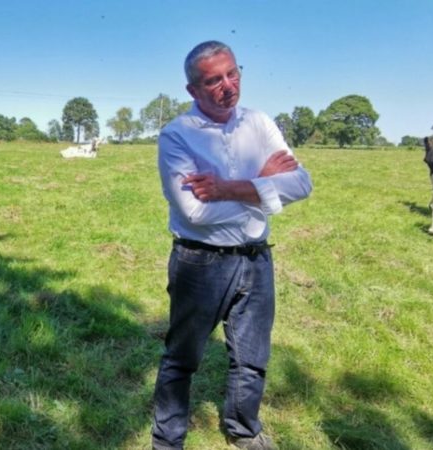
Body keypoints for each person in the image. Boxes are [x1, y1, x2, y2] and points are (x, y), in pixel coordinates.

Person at [151, 40, 312, 450]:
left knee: (252, 357)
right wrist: (264, 184)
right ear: (193, 90)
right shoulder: (177, 135)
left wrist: (228, 188)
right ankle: (167, 441)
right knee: (182, 358)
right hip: (200, 263)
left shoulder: (259, 123)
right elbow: (195, 213)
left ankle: (243, 428)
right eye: (213, 80)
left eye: (232, 73)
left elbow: (302, 184)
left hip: (257, 258)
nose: (227, 85)